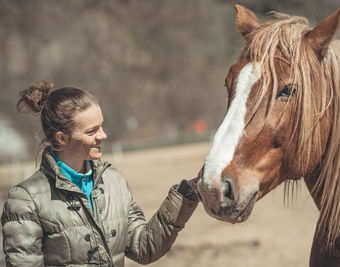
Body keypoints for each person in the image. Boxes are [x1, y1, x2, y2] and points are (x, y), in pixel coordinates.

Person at [1, 80, 199, 266]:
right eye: (91, 131)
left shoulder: (114, 181)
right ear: (62, 138)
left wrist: (184, 196)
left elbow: (144, 248)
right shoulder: (25, 199)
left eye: (101, 126)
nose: (103, 135)